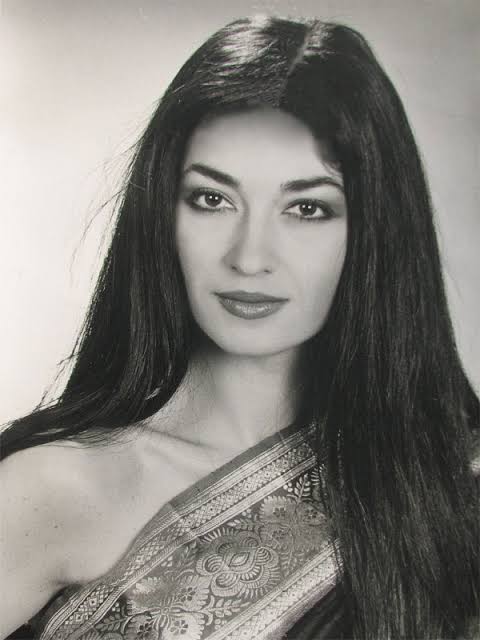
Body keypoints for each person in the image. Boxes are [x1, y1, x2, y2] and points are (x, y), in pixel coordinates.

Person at [1, 14, 479, 640]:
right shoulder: (57, 490)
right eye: (213, 200)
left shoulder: (453, 481)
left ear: (373, 231)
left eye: (307, 208)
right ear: (161, 214)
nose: (250, 258)